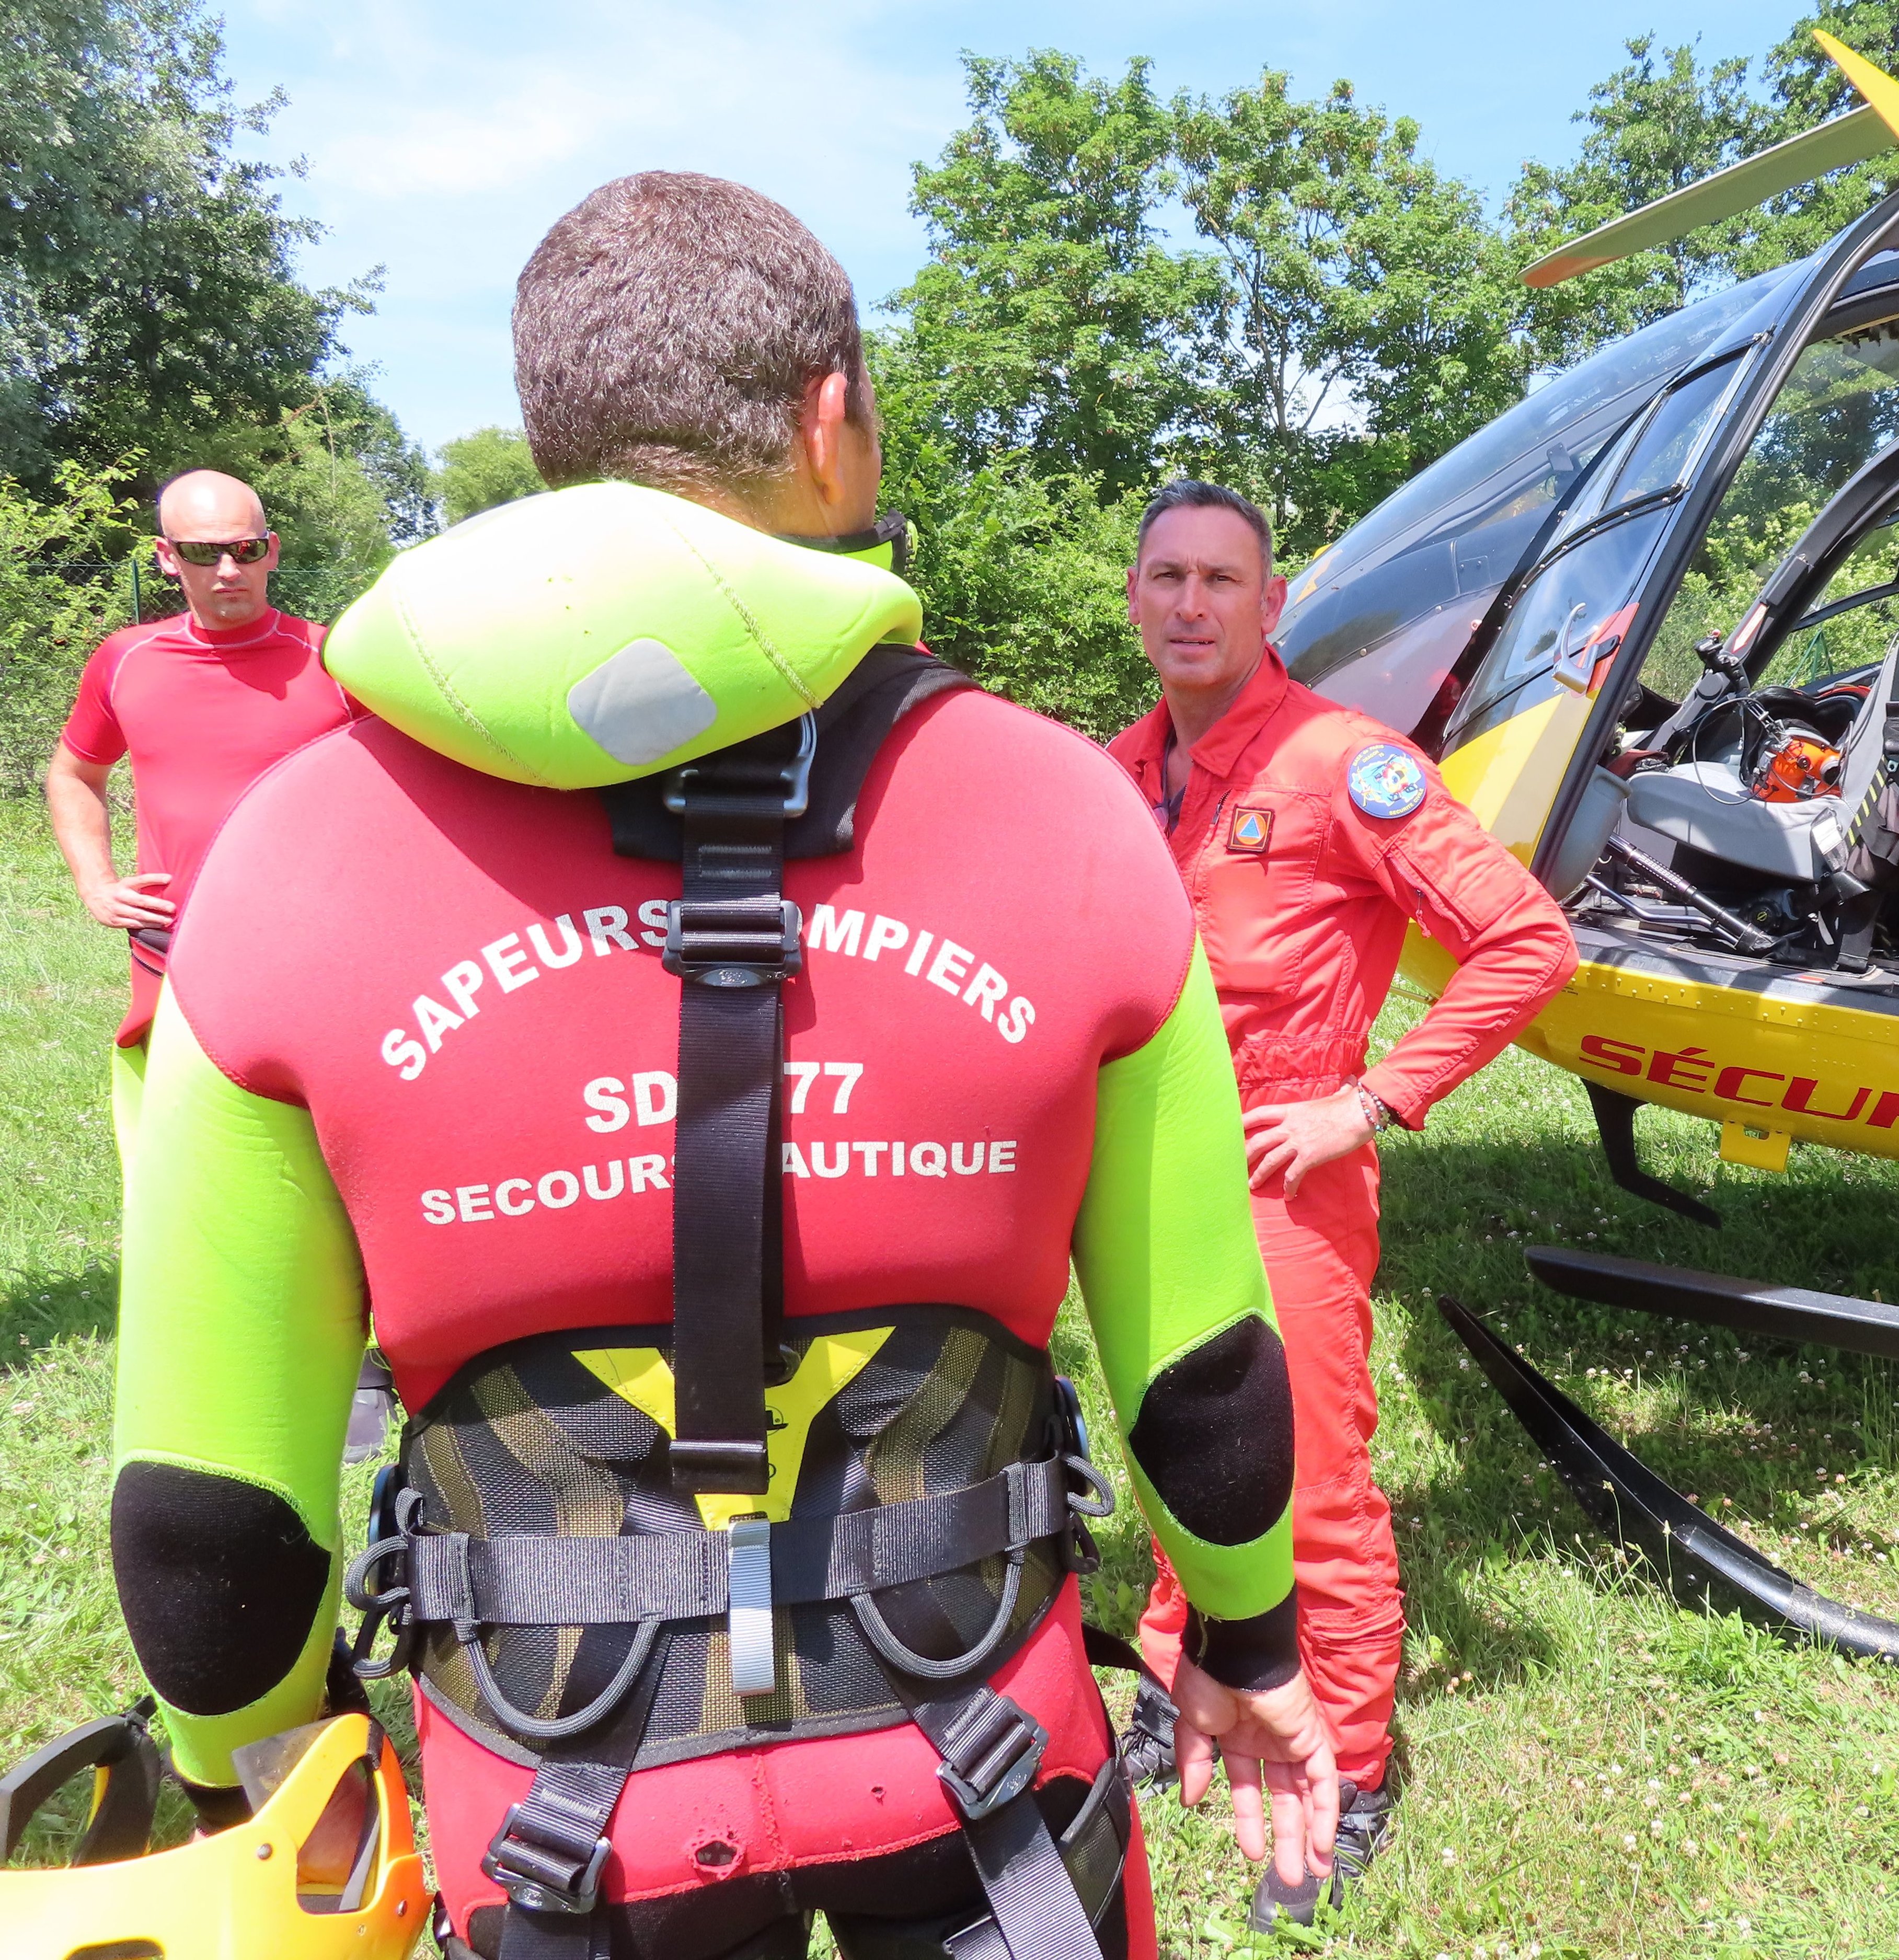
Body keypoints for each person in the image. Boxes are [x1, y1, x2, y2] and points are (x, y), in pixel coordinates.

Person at [109, 172, 1334, 1960]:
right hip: (976, 1750)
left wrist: (256, 1772)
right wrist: (1250, 1637)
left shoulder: (290, 863)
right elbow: (1208, 1380)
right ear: (832, 421)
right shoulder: (1061, 809)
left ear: (555, 439)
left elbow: (208, 1516)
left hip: (550, 1795)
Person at [1107, 481, 1578, 1928]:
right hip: (1144, 1166)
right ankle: (1179, 1671)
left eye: (1222, 581)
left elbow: (1525, 939)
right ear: (1134, 597)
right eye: (1167, 577)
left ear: (1272, 603)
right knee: (1177, 1443)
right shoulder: (1118, 771)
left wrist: (1368, 1098)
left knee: (1309, 1475)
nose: (1192, 604)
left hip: (1284, 1169)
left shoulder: (1342, 765)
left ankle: (1352, 1762)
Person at [44, 472, 351, 1152]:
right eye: (202, 552)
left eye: (244, 549)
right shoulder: (126, 660)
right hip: (172, 953)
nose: (227, 569)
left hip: (313, 956)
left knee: (328, 1156)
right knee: (195, 1156)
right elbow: (74, 774)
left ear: (272, 549)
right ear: (165, 555)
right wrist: (96, 883)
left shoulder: (333, 658)